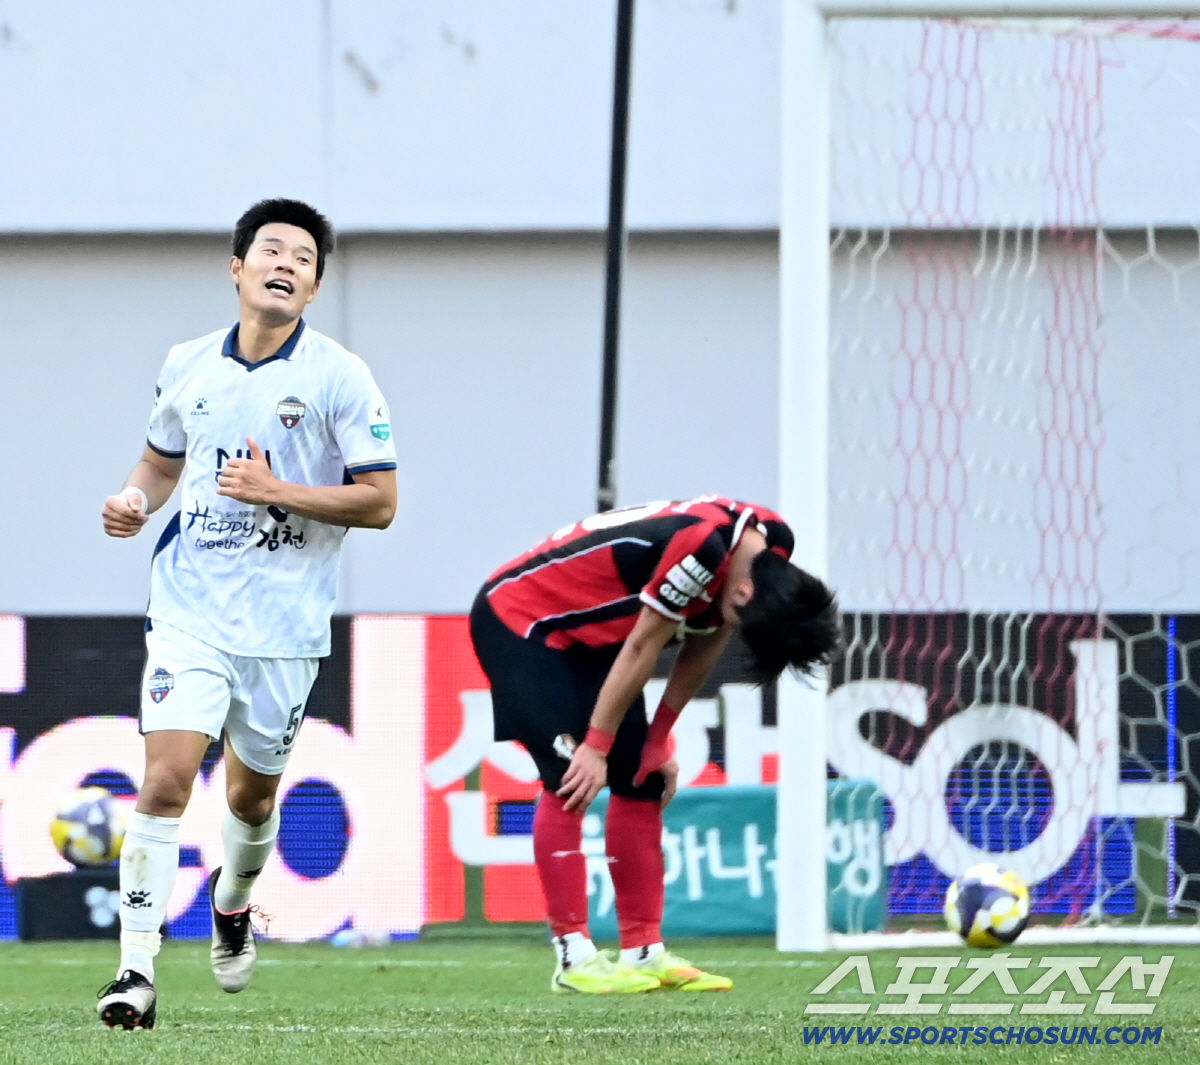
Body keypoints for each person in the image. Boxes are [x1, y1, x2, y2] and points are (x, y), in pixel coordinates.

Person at [96, 199, 397, 1029]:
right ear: (237, 268)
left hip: (285, 629)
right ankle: (134, 969)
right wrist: (132, 501)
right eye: (272, 249)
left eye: (304, 257)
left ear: (315, 284)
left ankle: (232, 903)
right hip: (189, 609)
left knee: (255, 800)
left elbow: (381, 502)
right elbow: (159, 464)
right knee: (162, 778)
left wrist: (277, 491)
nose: (286, 263)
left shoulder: (341, 376)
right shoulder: (187, 364)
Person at [470, 495, 840, 993]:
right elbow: (646, 644)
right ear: (748, 588)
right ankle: (573, 958)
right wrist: (596, 746)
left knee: (640, 780)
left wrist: (658, 738)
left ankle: (644, 951)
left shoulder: (772, 546)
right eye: (741, 614)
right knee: (570, 778)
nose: (737, 625)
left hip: (596, 641)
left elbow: (706, 636)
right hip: (522, 620)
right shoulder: (702, 549)